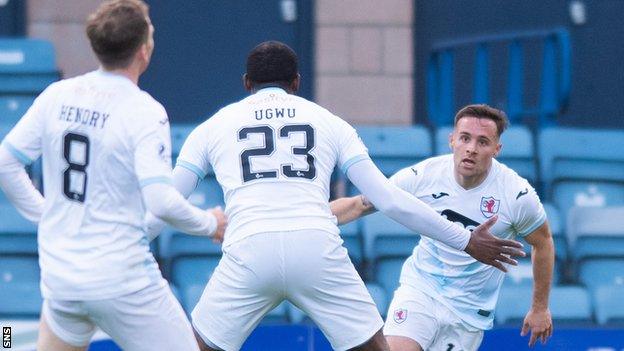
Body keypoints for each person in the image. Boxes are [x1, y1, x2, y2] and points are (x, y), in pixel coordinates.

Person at [148, 41, 525, 351]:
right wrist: (465, 240)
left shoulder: (213, 126)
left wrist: (129, 244)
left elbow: (166, 201)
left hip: (248, 248)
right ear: (296, 81)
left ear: (247, 83)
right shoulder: (329, 121)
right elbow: (389, 199)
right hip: (317, 247)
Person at [0, 1, 226, 350]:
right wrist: (211, 223)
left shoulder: (56, 96)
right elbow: (162, 202)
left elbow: (5, 164)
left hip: (63, 279)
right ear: (144, 50)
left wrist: (46, 216)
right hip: (123, 282)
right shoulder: (144, 111)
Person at [330, 104, 555, 350]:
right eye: (465, 138)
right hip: (421, 290)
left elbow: (543, 243)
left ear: (497, 149)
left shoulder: (517, 195)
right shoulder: (424, 175)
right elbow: (359, 204)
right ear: (452, 141)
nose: (471, 148)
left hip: (468, 312)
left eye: (483, 142)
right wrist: (309, 216)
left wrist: (540, 307)